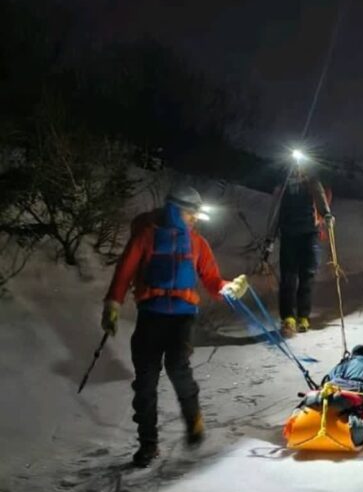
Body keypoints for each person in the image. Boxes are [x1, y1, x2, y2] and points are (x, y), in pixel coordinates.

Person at [101, 186, 248, 467]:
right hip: (150, 317)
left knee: (177, 367)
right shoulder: (146, 237)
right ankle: (148, 444)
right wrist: (113, 305)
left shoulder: (197, 243)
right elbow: (124, 271)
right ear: (177, 210)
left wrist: (231, 288)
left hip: (182, 318)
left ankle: (194, 420)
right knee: (145, 383)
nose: (194, 219)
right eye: (191, 214)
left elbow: (212, 280)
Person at [263, 166, 333, 337]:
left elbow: (321, 200)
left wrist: (327, 215)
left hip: (309, 234)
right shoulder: (283, 187)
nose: (297, 170)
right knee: (288, 277)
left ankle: (303, 316)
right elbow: (275, 213)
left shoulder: (312, 182)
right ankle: (288, 317)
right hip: (288, 236)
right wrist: (269, 239)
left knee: (307, 276)